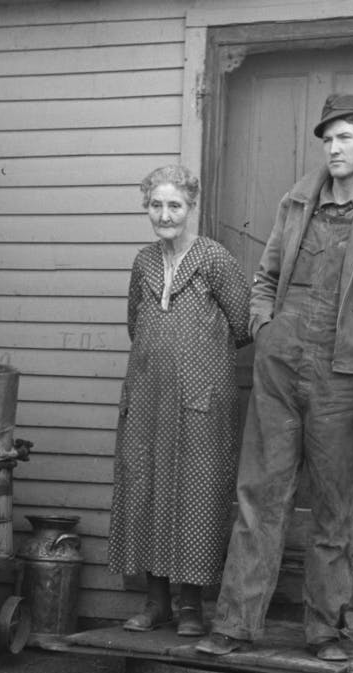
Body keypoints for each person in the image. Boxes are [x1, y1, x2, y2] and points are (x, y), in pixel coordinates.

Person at [196, 93, 353, 661]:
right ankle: (235, 624)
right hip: (280, 368)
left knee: (331, 509)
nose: (334, 148)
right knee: (258, 497)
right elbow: (265, 277)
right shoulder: (297, 202)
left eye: (345, 137)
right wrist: (265, 328)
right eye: (328, 138)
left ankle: (324, 630)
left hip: (344, 378)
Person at [107, 164, 251, 638]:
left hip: (201, 402)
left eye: (174, 205)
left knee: (195, 494)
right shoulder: (143, 263)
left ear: (191, 207)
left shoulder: (215, 259)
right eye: (156, 205)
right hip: (147, 398)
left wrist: (197, 361)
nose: (165, 215)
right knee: (145, 488)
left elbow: (244, 325)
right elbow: (136, 327)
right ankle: (155, 603)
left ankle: (191, 608)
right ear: (146, 208)